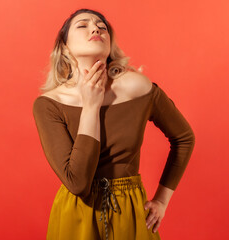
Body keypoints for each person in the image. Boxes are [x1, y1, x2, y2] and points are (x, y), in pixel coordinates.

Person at [32, 8, 195, 240]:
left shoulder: (138, 88)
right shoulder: (49, 104)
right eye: (83, 25)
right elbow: (77, 184)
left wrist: (161, 200)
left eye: (102, 26)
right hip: (77, 216)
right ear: (64, 46)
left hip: (131, 211)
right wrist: (91, 106)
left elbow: (184, 138)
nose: (96, 28)